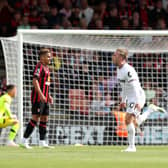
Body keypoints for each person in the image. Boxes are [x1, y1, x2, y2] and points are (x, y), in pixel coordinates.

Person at [112, 48, 166, 152]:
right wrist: (123, 100)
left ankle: (132, 147)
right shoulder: (119, 69)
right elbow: (124, 87)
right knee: (134, 121)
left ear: (121, 58)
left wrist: (137, 102)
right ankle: (150, 109)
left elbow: (135, 86)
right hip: (130, 97)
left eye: (115, 55)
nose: (113, 56)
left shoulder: (128, 70)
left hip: (138, 96)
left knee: (127, 120)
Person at [21, 48, 53, 149]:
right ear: (42, 57)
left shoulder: (47, 68)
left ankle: (42, 142)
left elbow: (46, 84)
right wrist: (41, 94)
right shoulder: (39, 66)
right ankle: (24, 140)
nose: (50, 58)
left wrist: (48, 95)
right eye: (48, 56)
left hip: (44, 97)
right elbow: (35, 81)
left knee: (44, 118)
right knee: (35, 118)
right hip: (38, 97)